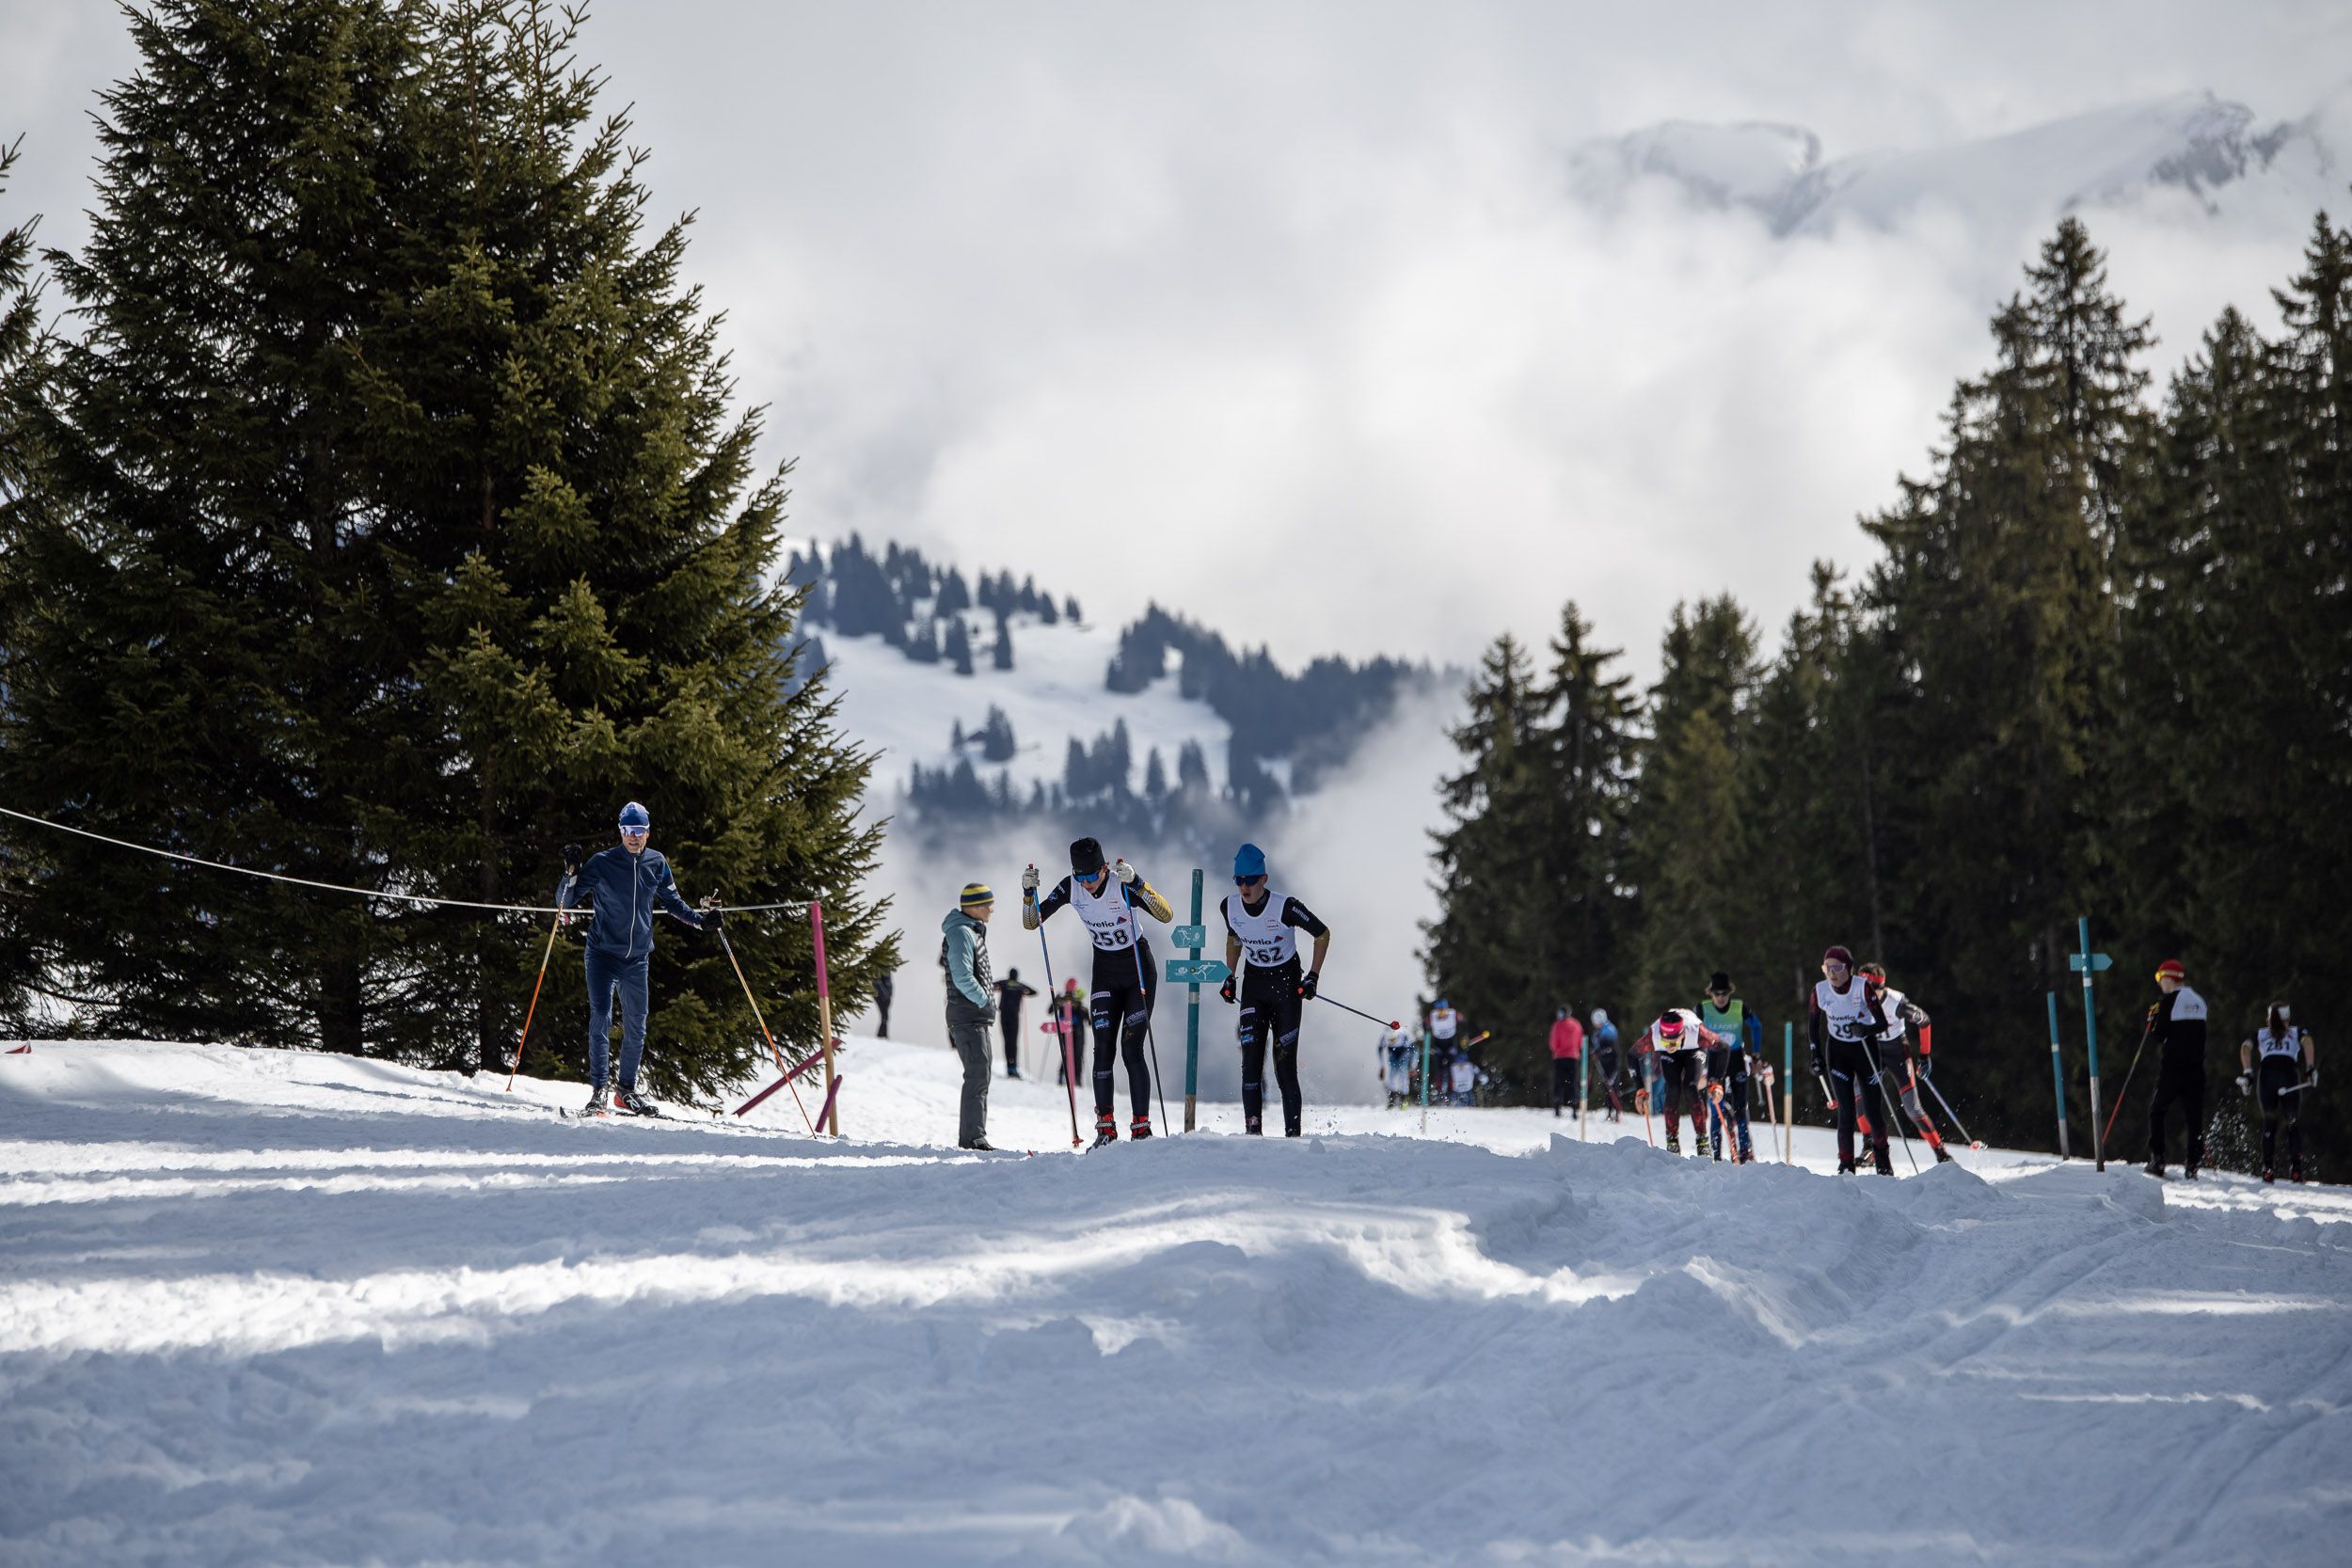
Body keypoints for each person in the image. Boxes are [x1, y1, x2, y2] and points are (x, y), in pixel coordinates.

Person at [559, 800, 714, 1117]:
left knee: (637, 1025)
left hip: (637, 959)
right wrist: (570, 872)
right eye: (628, 830)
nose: (633, 836)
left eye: (639, 830)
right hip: (602, 954)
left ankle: (625, 1091)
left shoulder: (657, 862)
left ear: (647, 833)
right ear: (621, 831)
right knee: (601, 1017)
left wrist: (701, 921)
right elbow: (566, 900)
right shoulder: (603, 862)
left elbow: (672, 902)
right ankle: (599, 1091)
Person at [1024, 836, 1173, 1147]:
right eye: (1081, 877)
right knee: (1102, 1050)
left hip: (1137, 970)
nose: (1087, 883)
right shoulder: (1072, 886)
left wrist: (1139, 884)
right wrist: (1028, 894)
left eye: (1092, 875)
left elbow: (1166, 914)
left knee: (1131, 1049)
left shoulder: (1121, 883)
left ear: (1105, 868)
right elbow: (1032, 922)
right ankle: (1105, 1129)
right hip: (1105, 973)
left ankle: (1141, 1127)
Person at [1215, 843, 1330, 1136]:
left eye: (1250, 880)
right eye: (1239, 880)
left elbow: (1322, 933)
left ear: (1263, 879)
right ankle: (1253, 1133)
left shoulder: (1285, 907)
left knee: (1284, 1067)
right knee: (1250, 1063)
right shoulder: (1229, 907)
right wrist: (1229, 976)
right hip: (1254, 986)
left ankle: (1293, 1135)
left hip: (1286, 988)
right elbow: (1234, 936)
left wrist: (1313, 976)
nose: (1244, 887)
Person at [1809, 944, 1896, 1175]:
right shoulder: (1820, 991)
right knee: (1846, 1111)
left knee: (1872, 1111)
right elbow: (1813, 1026)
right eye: (1827, 968)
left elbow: (1882, 1023)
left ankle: (1883, 1161)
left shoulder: (1862, 987)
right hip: (1838, 1053)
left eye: (1837, 968)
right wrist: (1815, 1055)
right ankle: (1846, 1164)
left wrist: (1865, 1029)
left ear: (1849, 968)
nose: (1832, 973)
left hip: (1865, 1051)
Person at [1857, 963, 1951, 1164]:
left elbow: (1924, 1021)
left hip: (1897, 1053)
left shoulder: (1895, 1002)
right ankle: (1869, 1147)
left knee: (1912, 1109)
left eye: (1871, 991)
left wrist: (1924, 1056)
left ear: (1880, 988)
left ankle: (1941, 1152)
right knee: (1859, 1095)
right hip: (1873, 1051)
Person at [941, 883, 998, 1150]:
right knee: (977, 1075)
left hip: (973, 1016)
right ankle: (972, 1138)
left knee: (980, 1074)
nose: (991, 909)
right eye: (987, 904)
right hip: (968, 1015)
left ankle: (975, 1136)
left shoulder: (969, 931)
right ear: (974, 907)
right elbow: (962, 975)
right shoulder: (962, 932)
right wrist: (983, 1000)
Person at [2143, 958, 2211, 1179]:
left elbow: (2159, 1034)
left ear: (2168, 978)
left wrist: (2152, 1019)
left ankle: (2158, 1159)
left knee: (2157, 1111)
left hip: (2172, 1070)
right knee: (2194, 1118)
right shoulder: (2199, 1001)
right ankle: (2193, 1165)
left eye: (2160, 977)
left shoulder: (2168, 1002)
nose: (2159, 983)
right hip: (2196, 1069)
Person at [2239, 1002, 2316, 1183]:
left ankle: (2267, 1170)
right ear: (2287, 1019)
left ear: (2269, 1020)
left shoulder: (2260, 1033)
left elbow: (2245, 1047)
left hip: (2267, 1077)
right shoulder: (2297, 1031)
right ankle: (2296, 1171)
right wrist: (2310, 1068)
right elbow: (2307, 1041)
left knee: (2269, 1125)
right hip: (2288, 1075)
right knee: (2292, 1124)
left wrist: (2248, 1073)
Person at [1640, 1008, 1723, 1154]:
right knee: (1673, 1088)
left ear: (1682, 1034)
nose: (1669, 1046)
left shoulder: (1698, 1032)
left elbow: (1723, 1048)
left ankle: (1702, 1139)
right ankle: (1672, 1140)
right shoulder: (1654, 1033)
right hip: (1671, 1055)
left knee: (1690, 1087)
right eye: (1665, 1042)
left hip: (1694, 1049)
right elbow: (1632, 1055)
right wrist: (1640, 1089)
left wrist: (1716, 1081)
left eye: (1673, 1042)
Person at [1697, 974, 1756, 1163]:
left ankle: (1745, 1153)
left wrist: (1756, 1054)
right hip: (1714, 1062)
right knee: (1716, 1111)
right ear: (1711, 993)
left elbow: (1756, 1026)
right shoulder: (1702, 1008)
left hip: (1736, 1060)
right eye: (1717, 994)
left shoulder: (1739, 1007)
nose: (1721, 997)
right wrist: (1697, 1059)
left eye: (1725, 993)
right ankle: (1716, 1155)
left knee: (1740, 1109)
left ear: (1730, 993)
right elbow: (1691, 1030)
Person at [994, 967, 1038, 1078]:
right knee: (1013, 1042)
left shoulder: (1004, 983)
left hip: (1004, 1015)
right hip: (1014, 1016)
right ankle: (1013, 1068)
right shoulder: (1020, 986)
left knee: (1006, 1041)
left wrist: (1000, 989)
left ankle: (1009, 1068)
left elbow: (991, 986)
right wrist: (1024, 993)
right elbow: (1034, 992)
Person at [1548, 1006, 1584, 1118]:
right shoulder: (1576, 1024)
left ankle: (1557, 1108)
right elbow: (1581, 1042)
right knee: (1573, 1083)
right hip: (1573, 1057)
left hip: (1560, 1057)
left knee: (1558, 1083)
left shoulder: (1557, 1025)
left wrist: (1557, 1050)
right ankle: (1574, 1108)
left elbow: (1553, 1043)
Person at [1588, 1007, 1625, 1122]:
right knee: (1607, 1088)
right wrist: (1596, 1052)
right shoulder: (1598, 1032)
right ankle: (1609, 1111)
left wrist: (1598, 1052)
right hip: (1604, 1062)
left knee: (1613, 1087)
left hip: (1612, 1063)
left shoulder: (1609, 1030)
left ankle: (1616, 1113)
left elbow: (1610, 1048)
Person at [1378, 1022, 1418, 1108]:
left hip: (1404, 1053)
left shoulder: (1404, 1034)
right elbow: (1379, 1050)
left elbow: (1414, 1051)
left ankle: (1404, 1100)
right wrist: (1382, 1066)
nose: (1392, 1041)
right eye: (1390, 1040)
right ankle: (1392, 1099)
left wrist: (1413, 1067)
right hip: (1393, 1054)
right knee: (1391, 1076)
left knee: (1403, 1074)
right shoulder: (1384, 1036)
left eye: (1394, 1039)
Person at [873, 968, 895, 1039]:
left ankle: (883, 1034)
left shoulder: (887, 969)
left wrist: (890, 994)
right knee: (885, 1016)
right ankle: (881, 1035)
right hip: (881, 997)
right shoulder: (878, 969)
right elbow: (877, 982)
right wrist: (885, 994)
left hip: (887, 997)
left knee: (885, 1016)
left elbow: (889, 983)